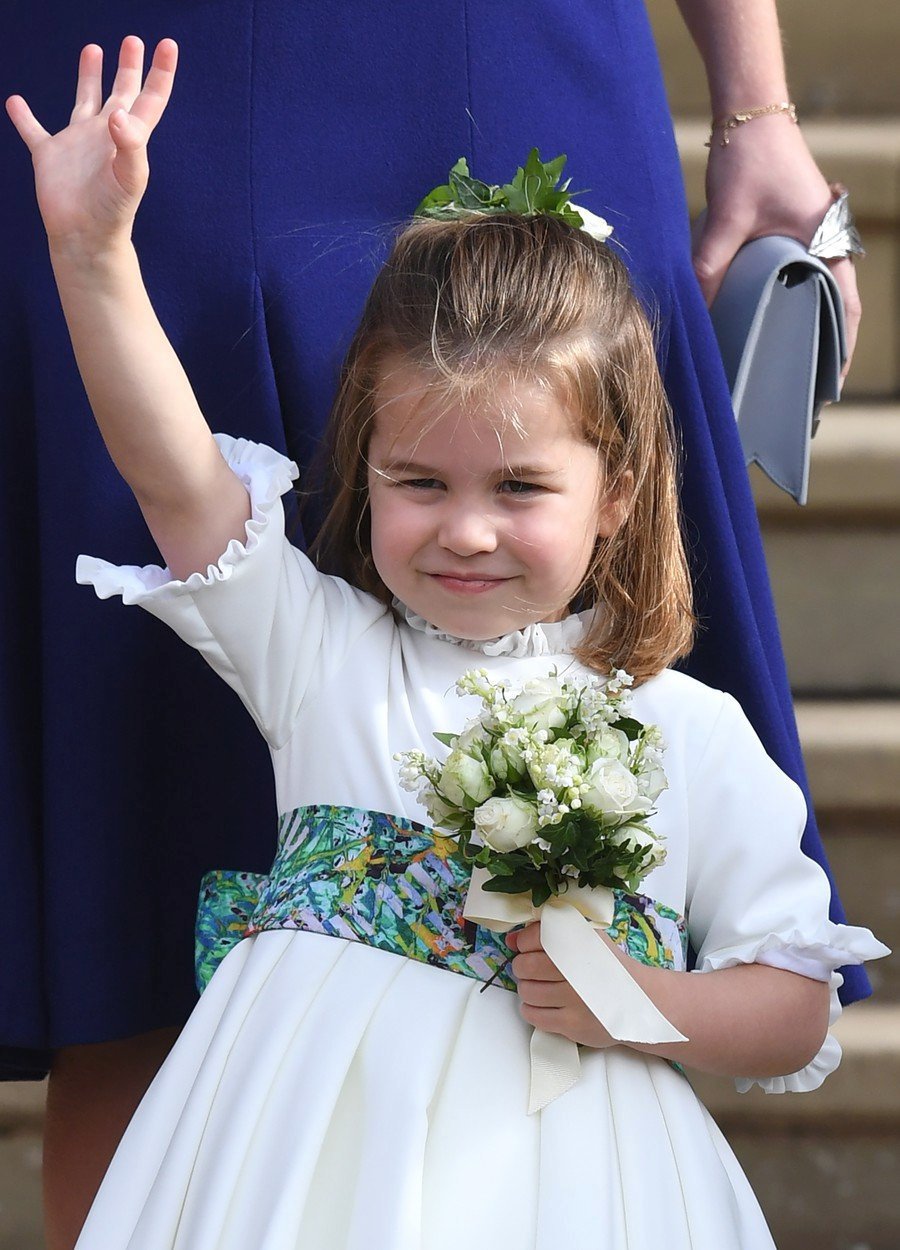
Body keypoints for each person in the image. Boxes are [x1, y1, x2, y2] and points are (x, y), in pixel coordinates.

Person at [0, 6, 867, 1246]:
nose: (466, 530)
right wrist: (91, 259)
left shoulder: (684, 726)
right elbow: (175, 480)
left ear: (617, 491)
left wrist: (638, 1000)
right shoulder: (323, 654)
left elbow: (795, 997)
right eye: (421, 483)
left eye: (519, 488)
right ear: (362, 469)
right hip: (299, 1170)